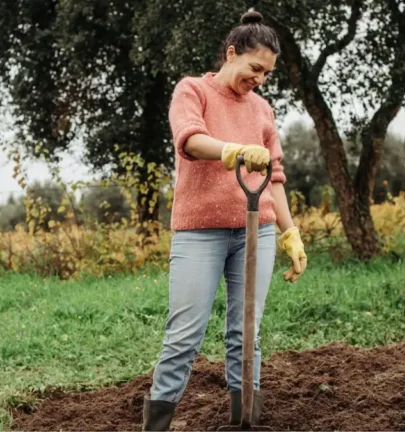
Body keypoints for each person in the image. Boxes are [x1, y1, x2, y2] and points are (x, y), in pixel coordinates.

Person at [142, 10, 308, 431]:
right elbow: (190, 140)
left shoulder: (262, 109)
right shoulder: (193, 90)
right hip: (200, 233)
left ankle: (244, 422)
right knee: (185, 335)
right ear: (231, 53)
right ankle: (156, 426)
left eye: (268, 73)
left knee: (245, 334)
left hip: (258, 231)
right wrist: (231, 150)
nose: (261, 78)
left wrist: (290, 232)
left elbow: (275, 178)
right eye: (255, 68)